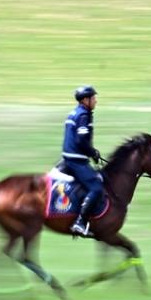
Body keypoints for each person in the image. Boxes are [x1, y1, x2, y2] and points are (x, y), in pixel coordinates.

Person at [62, 85, 104, 237]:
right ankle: (80, 223)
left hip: (69, 157)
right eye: (93, 98)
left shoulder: (75, 112)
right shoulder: (83, 115)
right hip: (76, 160)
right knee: (96, 188)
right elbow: (81, 141)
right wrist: (93, 153)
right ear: (86, 100)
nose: (96, 101)